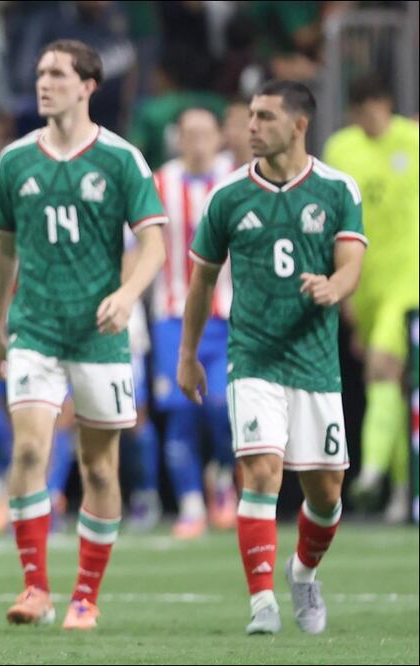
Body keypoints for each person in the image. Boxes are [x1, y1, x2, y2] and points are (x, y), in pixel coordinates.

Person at [0, 39, 166, 630]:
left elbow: (155, 244)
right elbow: (2, 251)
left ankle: (86, 595)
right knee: (31, 449)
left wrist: (127, 293)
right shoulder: (15, 160)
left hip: (99, 334)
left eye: (58, 74)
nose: (44, 83)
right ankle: (35, 588)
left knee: (98, 470)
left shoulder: (120, 159)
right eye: (40, 72)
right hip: (35, 328)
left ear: (88, 85)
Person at [179, 80, 365, 635]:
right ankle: (262, 600)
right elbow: (201, 280)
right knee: (261, 470)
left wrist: (335, 287)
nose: (250, 127)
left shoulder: (336, 189)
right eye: (249, 116)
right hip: (253, 356)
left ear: (299, 124)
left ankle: (302, 571)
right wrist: (188, 353)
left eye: (263, 117)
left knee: (327, 494)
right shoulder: (229, 195)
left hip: (315, 363)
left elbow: (352, 260)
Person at [323, 78, 420, 522]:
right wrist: (344, 292)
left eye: (370, 108)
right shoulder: (342, 149)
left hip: (409, 280)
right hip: (363, 282)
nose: (365, 119)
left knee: (383, 365)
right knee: (390, 387)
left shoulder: (413, 140)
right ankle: (401, 490)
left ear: (385, 103)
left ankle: (371, 473)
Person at [151, 107, 238, 539]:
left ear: (219, 137)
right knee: (181, 414)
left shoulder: (237, 180)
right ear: (178, 139)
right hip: (172, 317)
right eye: (190, 134)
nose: (198, 141)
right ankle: (189, 503)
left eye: (206, 132)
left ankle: (222, 478)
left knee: (223, 408)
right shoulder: (159, 183)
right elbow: (138, 244)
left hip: (227, 317)